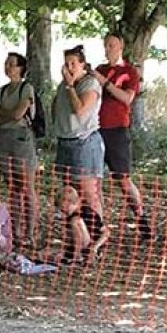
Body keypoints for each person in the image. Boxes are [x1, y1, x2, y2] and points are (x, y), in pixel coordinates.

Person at [92, 33, 150, 241]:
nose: (108, 49)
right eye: (106, 45)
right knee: (93, 181)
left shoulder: (129, 72)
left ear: (121, 46)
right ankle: (96, 226)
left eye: (112, 45)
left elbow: (127, 98)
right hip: (94, 130)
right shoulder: (99, 69)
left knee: (122, 180)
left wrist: (105, 83)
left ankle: (141, 217)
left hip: (116, 130)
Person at [0, 52, 39, 246]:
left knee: (26, 186)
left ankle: (31, 231)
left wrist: (7, 114)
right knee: (12, 187)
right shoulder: (1, 91)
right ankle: (16, 230)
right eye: (6, 63)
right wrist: (9, 115)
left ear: (21, 68)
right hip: (4, 140)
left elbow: (20, 113)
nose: (8, 67)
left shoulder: (26, 88)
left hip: (21, 140)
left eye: (12, 64)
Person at [53, 45, 104, 217]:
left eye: (73, 63)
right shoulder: (63, 86)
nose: (69, 67)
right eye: (66, 63)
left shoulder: (90, 83)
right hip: (65, 141)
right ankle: (77, 233)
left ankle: (97, 231)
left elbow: (80, 109)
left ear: (83, 64)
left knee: (89, 193)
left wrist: (70, 87)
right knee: (69, 193)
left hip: (84, 142)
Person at [40, 185, 109, 265]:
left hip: (89, 246)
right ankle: (72, 256)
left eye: (62, 208)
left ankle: (78, 256)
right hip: (76, 245)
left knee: (75, 221)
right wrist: (63, 251)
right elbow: (69, 238)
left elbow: (106, 232)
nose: (62, 211)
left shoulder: (86, 213)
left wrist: (95, 248)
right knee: (42, 254)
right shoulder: (69, 216)